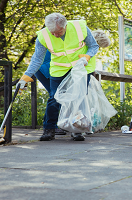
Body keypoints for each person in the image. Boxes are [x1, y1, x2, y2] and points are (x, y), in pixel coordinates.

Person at [17, 13, 99, 141]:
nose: (55, 34)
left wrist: (87, 57)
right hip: (59, 69)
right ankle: (49, 129)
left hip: (81, 67)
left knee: (78, 98)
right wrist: (26, 76)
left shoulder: (80, 27)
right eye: (52, 32)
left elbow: (94, 46)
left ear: (65, 25)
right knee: (54, 98)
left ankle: (76, 130)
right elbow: (37, 59)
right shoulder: (43, 35)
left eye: (59, 31)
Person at [34, 30, 111, 136]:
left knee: (64, 98)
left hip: (54, 69)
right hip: (45, 69)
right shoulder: (78, 44)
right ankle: (55, 127)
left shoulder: (81, 44)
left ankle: (69, 125)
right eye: (99, 46)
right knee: (57, 97)